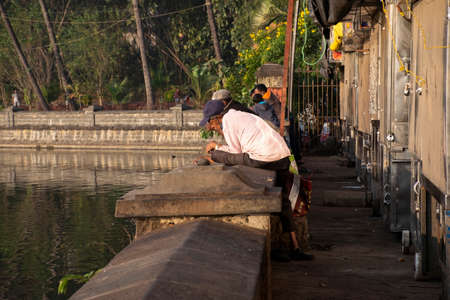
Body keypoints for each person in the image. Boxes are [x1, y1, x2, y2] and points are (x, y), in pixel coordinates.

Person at [199, 99, 313, 261]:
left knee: (219, 157)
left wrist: (215, 151)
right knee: (283, 201)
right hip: (282, 157)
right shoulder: (239, 116)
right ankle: (295, 246)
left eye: (211, 123)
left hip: (265, 158)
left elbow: (236, 153)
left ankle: (279, 247)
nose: (211, 128)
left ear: (217, 118)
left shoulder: (229, 121)